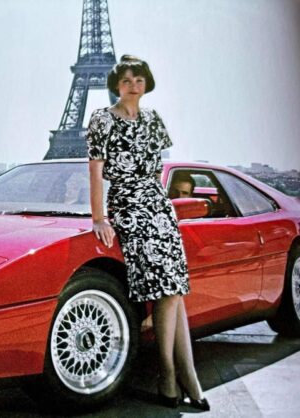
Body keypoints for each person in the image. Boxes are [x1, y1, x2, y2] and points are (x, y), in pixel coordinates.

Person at [86, 55, 209, 411]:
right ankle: (169, 373)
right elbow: (95, 171)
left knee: (174, 289)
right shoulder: (102, 118)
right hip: (128, 205)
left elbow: (157, 172)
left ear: (146, 84)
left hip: (158, 206)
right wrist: (99, 217)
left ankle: (186, 375)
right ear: (116, 85)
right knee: (168, 290)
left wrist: (158, 205)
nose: (133, 85)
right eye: (126, 80)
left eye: (138, 79)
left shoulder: (154, 118)